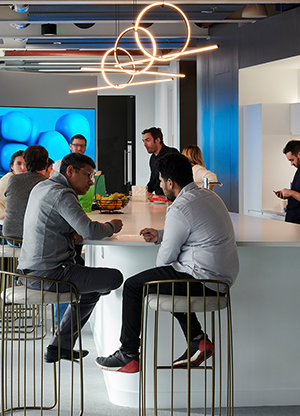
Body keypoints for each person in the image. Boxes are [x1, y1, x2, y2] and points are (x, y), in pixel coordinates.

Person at [97, 153, 239, 374]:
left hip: (203, 280)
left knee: (135, 286)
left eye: (161, 180)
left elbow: (164, 261)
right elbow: (195, 229)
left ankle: (129, 355)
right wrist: (163, 234)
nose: (160, 185)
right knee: (172, 281)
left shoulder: (180, 208)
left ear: (170, 183)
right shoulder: (209, 196)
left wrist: (167, 240)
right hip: (221, 279)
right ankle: (198, 340)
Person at [18, 153, 124, 363]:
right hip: (49, 273)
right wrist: (113, 226)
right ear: (70, 171)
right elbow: (90, 230)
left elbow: (51, 224)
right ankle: (60, 345)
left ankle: (59, 346)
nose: (90, 182)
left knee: (91, 290)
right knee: (114, 278)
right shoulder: (62, 194)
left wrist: (70, 233)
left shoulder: (42, 187)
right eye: (88, 175)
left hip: (28, 270)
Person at [2, 145, 55, 240]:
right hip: (35, 240)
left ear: (25, 162)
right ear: (47, 162)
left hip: (10, 237)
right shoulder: (49, 184)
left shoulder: (13, 180)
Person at [0, 150, 28, 225]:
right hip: (4, 230)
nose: (23, 167)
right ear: (12, 166)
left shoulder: (21, 180)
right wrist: (8, 220)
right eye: (19, 164)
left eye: (25, 163)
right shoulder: (9, 179)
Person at [142, 127, 179, 196]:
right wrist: (141, 192)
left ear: (157, 140)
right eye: (143, 141)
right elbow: (153, 180)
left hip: (172, 198)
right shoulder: (152, 158)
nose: (144, 144)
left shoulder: (172, 153)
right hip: (159, 199)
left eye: (147, 140)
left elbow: (177, 179)